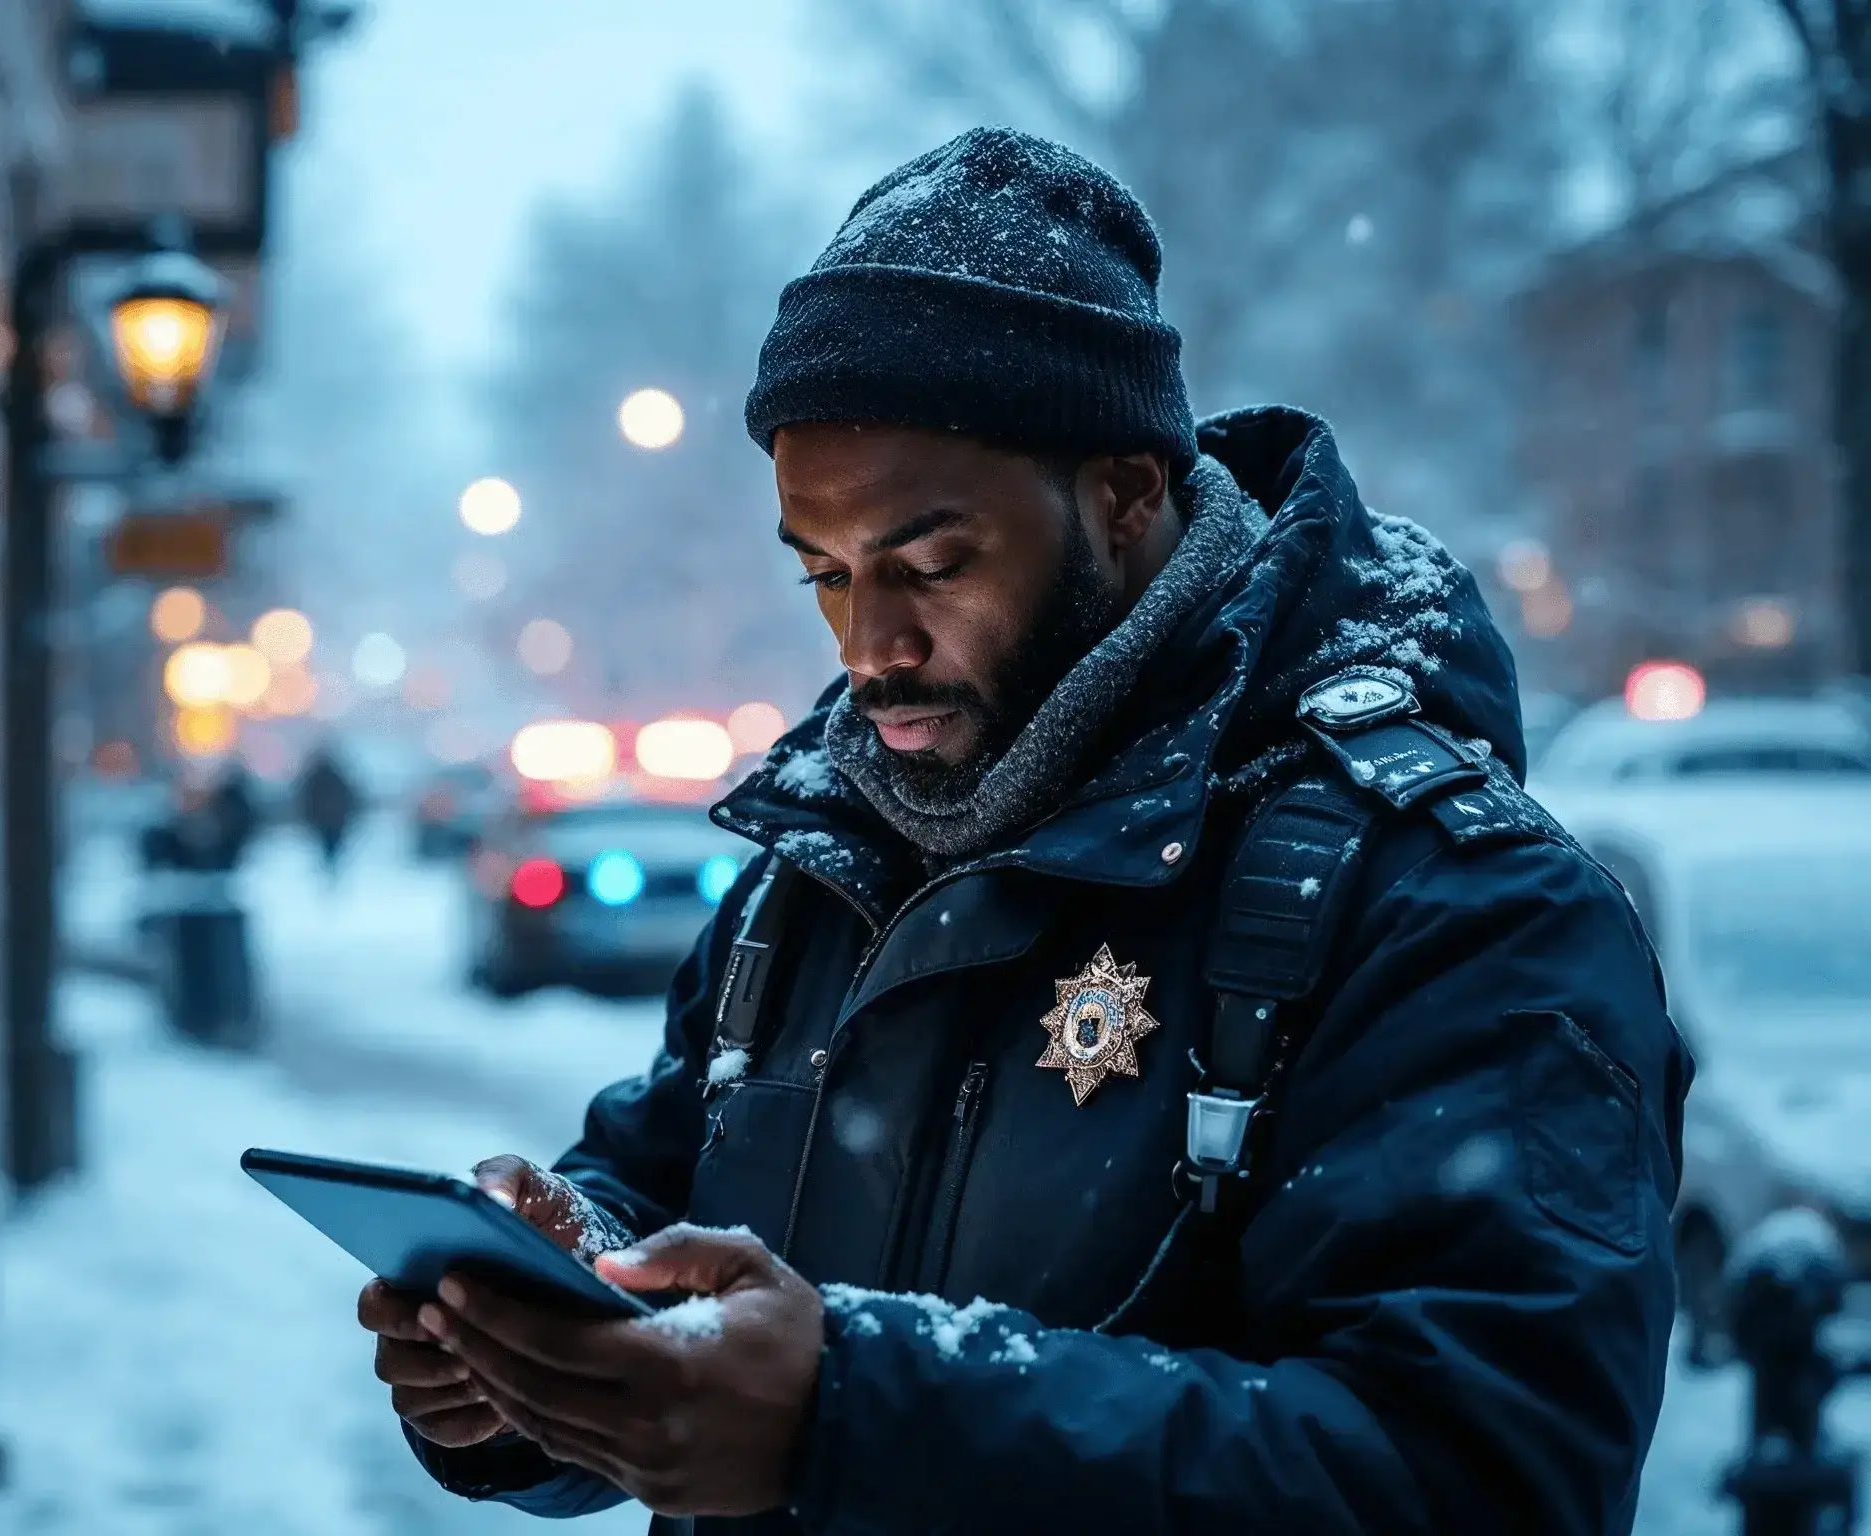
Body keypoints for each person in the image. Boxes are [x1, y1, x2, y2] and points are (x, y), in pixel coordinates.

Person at [359, 127, 1688, 1534]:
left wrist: (848, 1421)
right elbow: (660, 1172)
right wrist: (557, 1317)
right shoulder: (826, 862)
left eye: (931, 565)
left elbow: (1481, 1479)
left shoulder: (1453, 904)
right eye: (824, 573)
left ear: (1123, 497)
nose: (869, 647)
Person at [293, 741, 363, 880]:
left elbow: (306, 799)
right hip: (333, 820)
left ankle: (329, 870)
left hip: (325, 821)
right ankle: (330, 870)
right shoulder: (335, 777)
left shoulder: (315, 778)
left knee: (327, 847)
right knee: (331, 847)